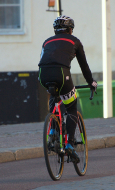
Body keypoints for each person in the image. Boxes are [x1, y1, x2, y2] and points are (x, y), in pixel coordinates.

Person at [38, 15, 97, 162]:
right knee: (71, 107)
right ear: (70, 30)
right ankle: (70, 144)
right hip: (61, 74)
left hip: (43, 75)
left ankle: (53, 130)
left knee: (54, 96)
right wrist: (91, 82)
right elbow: (84, 66)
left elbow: (42, 59)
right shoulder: (75, 41)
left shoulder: (47, 41)